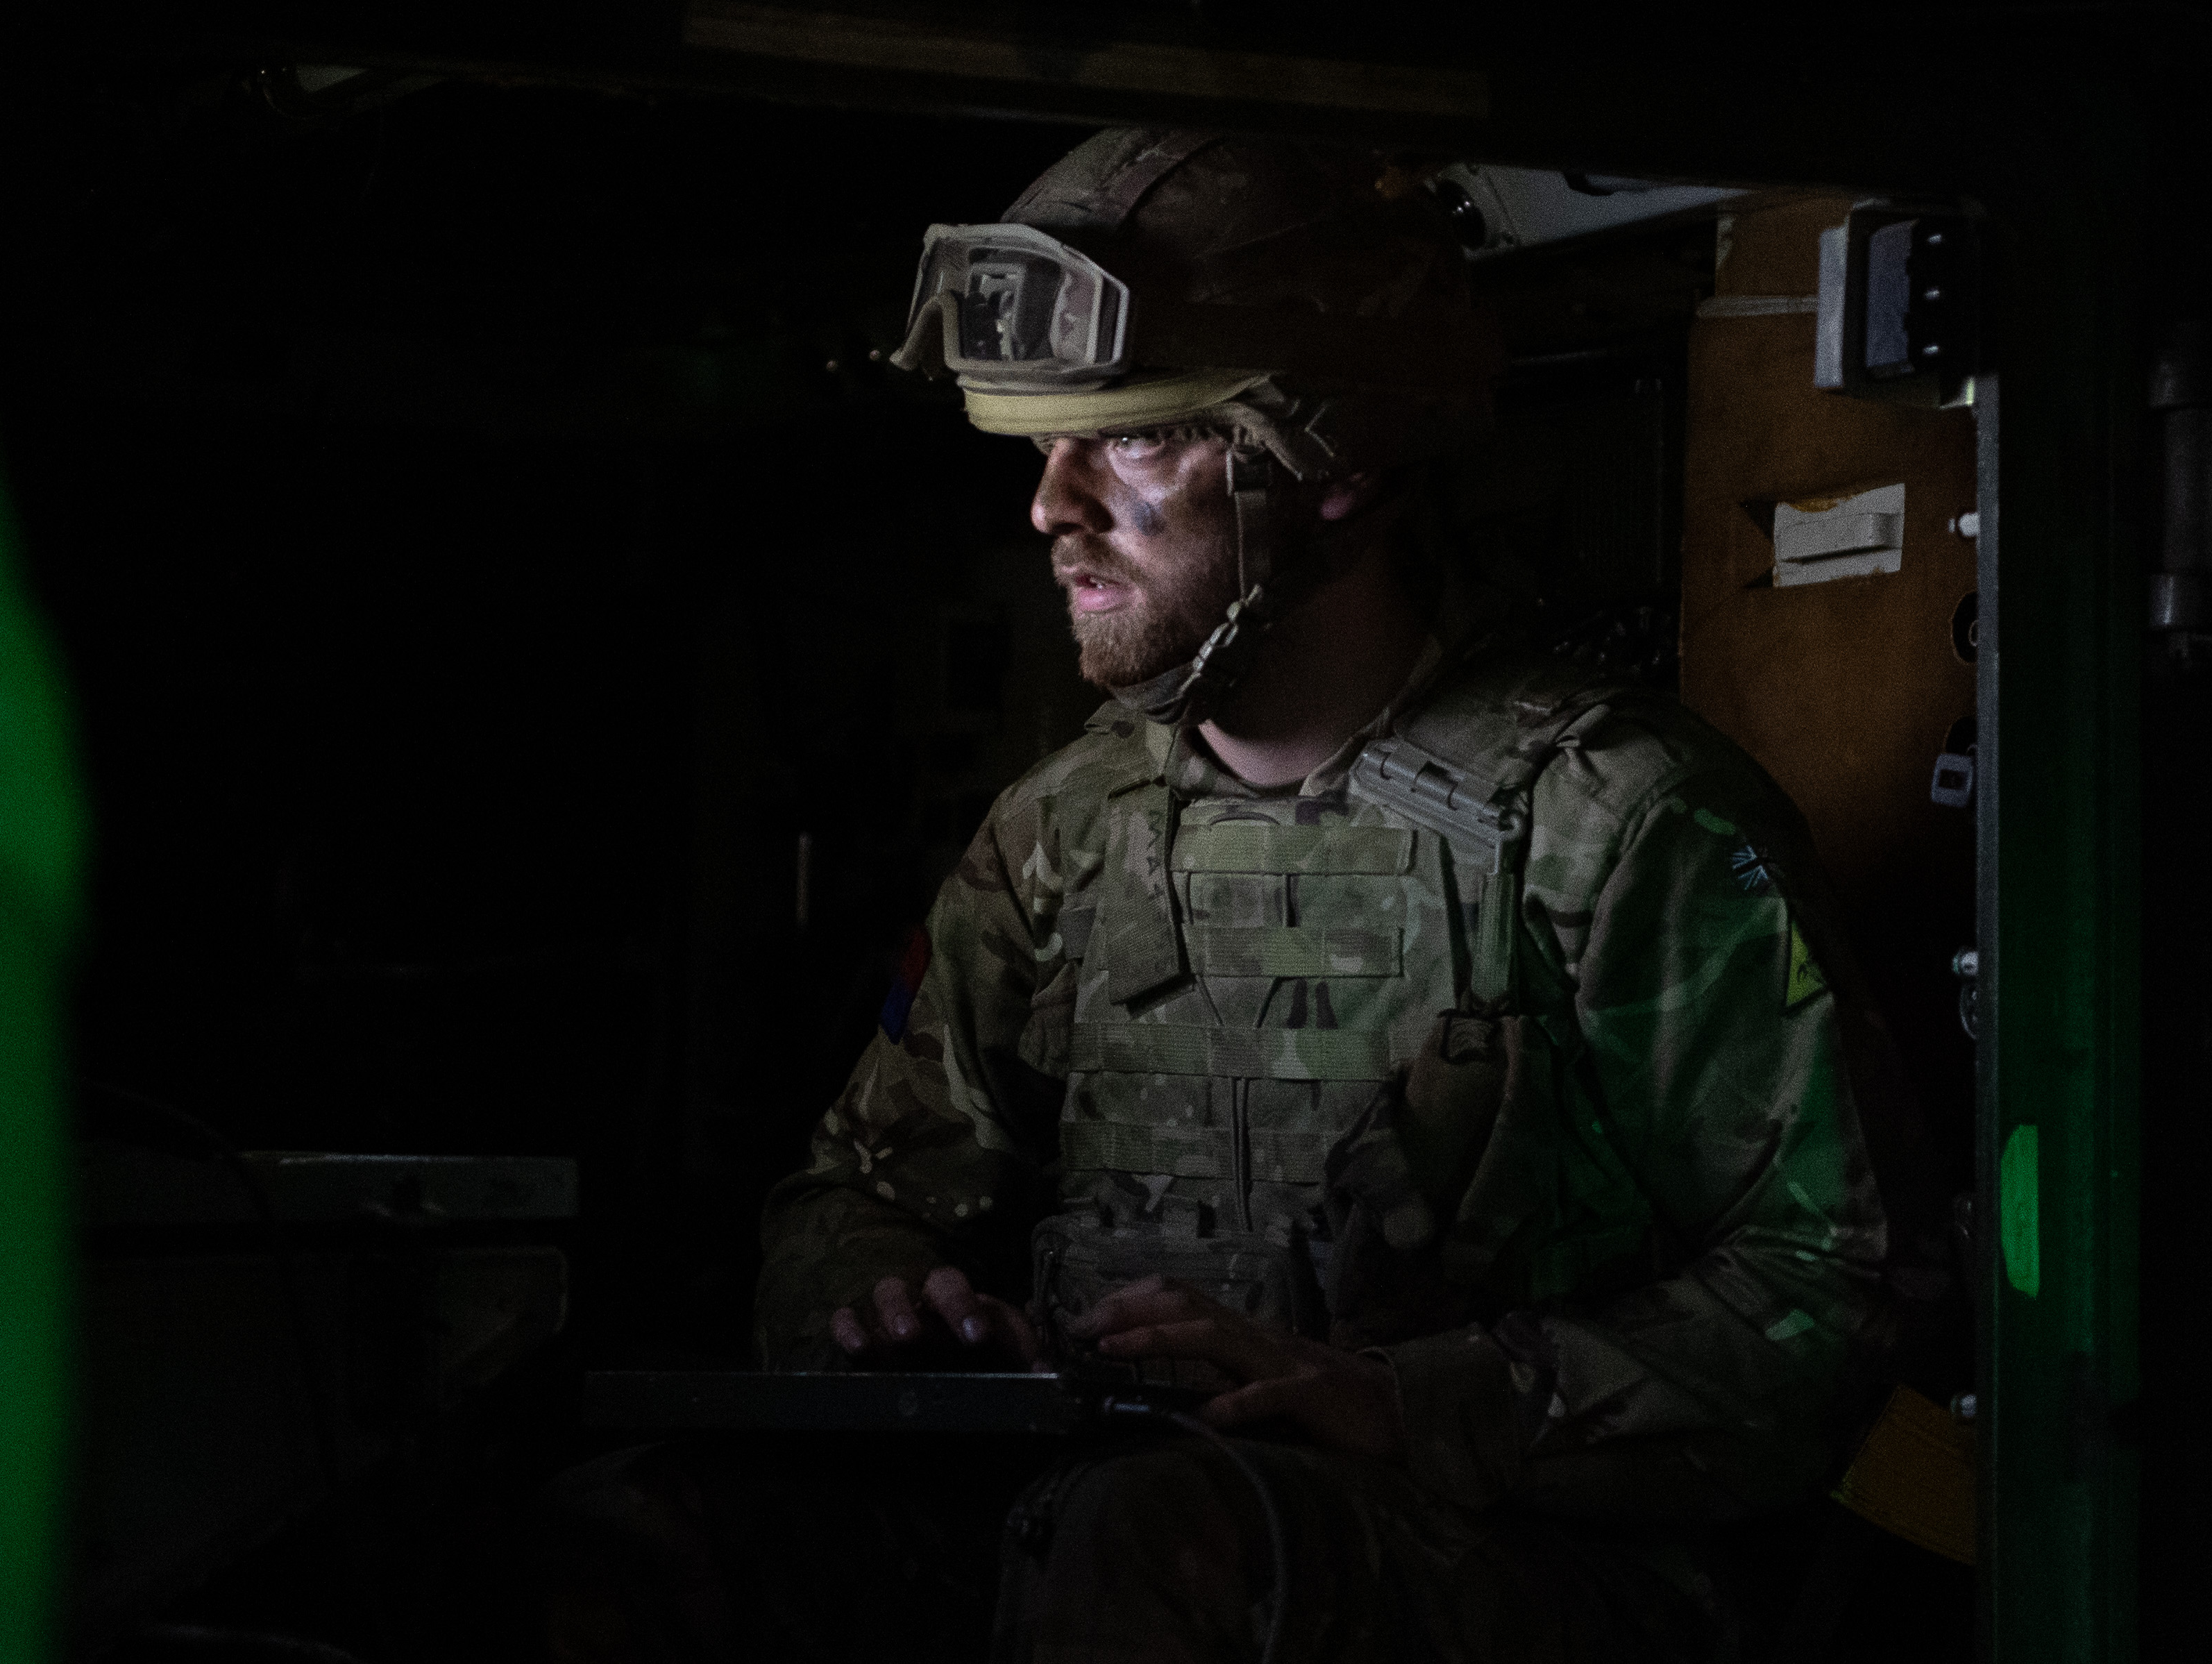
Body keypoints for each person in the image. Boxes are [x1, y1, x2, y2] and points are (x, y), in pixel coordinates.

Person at [550, 128, 1938, 1664]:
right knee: (648, 1529)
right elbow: (852, 1192)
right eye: (1041, 450)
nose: (1049, 509)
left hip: (1511, 1550)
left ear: (1329, 464)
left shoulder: (1619, 823)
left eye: (1130, 444)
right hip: (1099, 1497)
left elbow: (1832, 1285)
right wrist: (891, 1304)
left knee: (1157, 1542)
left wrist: (1410, 1398)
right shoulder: (1064, 826)